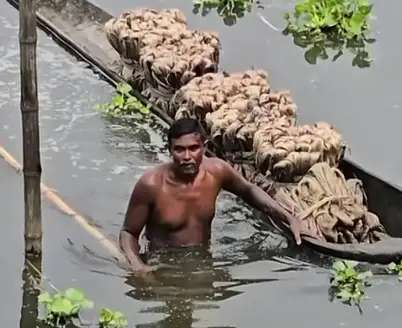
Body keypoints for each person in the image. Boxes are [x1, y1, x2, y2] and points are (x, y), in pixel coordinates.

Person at [118, 117, 308, 273]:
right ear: (170, 151)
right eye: (179, 149)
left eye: (193, 148)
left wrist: (289, 218)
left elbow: (249, 190)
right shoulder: (151, 185)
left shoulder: (217, 171)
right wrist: (137, 264)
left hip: (204, 259)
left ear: (203, 147)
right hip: (163, 264)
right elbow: (129, 233)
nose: (187, 156)